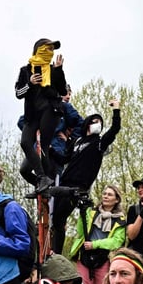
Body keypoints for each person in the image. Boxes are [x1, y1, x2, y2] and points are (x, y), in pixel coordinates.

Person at [50, 100, 122, 255]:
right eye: (95, 121)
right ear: (88, 124)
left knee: (61, 218)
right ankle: (52, 252)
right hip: (64, 184)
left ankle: (58, 254)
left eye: (100, 123)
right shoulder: (77, 141)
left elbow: (115, 129)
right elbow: (64, 159)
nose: (98, 124)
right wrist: (49, 150)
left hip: (78, 188)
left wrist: (116, 109)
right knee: (55, 221)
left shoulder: (99, 143)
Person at [15, 38, 68, 193]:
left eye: (53, 50)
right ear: (38, 49)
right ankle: (41, 179)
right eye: (47, 48)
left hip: (50, 111)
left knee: (43, 145)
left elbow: (63, 91)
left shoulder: (53, 69)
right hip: (32, 114)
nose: (50, 52)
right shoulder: (25, 70)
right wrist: (30, 83)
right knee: (25, 142)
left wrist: (59, 71)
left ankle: (45, 182)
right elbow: (18, 93)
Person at [67, 185, 127, 284]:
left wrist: (95, 244)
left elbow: (116, 241)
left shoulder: (120, 220)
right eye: (104, 194)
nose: (105, 196)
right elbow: (80, 231)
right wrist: (82, 215)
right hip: (84, 255)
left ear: (117, 199)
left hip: (103, 257)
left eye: (109, 195)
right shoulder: (92, 212)